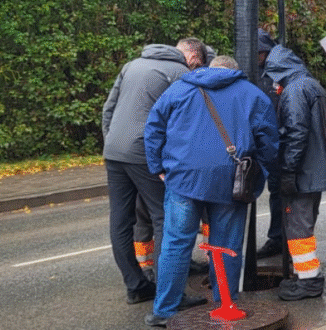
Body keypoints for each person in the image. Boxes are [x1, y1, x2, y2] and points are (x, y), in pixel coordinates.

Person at [143, 55, 278, 328]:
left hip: (183, 177)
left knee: (176, 244)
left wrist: (157, 165)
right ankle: (225, 303)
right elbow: (269, 141)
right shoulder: (252, 94)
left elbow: (153, 128)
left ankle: (164, 310)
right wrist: (258, 173)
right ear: (235, 73)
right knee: (227, 245)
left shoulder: (181, 88)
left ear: (209, 69)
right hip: (231, 181)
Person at [101, 38, 205, 304]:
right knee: (165, 218)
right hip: (144, 152)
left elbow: (108, 109)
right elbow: (185, 120)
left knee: (121, 221)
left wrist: (112, 141)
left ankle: (136, 286)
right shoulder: (180, 73)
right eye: (198, 64)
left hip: (114, 150)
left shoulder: (132, 65)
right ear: (192, 58)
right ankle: (168, 292)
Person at [263, 45, 326, 300]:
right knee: (303, 224)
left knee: (298, 227)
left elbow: (296, 133)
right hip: (315, 172)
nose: (272, 83)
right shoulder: (311, 85)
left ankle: (309, 282)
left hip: (303, 173)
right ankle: (306, 276)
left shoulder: (295, 90)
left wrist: (287, 171)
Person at [255, 29, 285, 259]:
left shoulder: (277, 74)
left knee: (278, 190)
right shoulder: (253, 73)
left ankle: (278, 238)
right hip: (257, 141)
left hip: (274, 142)